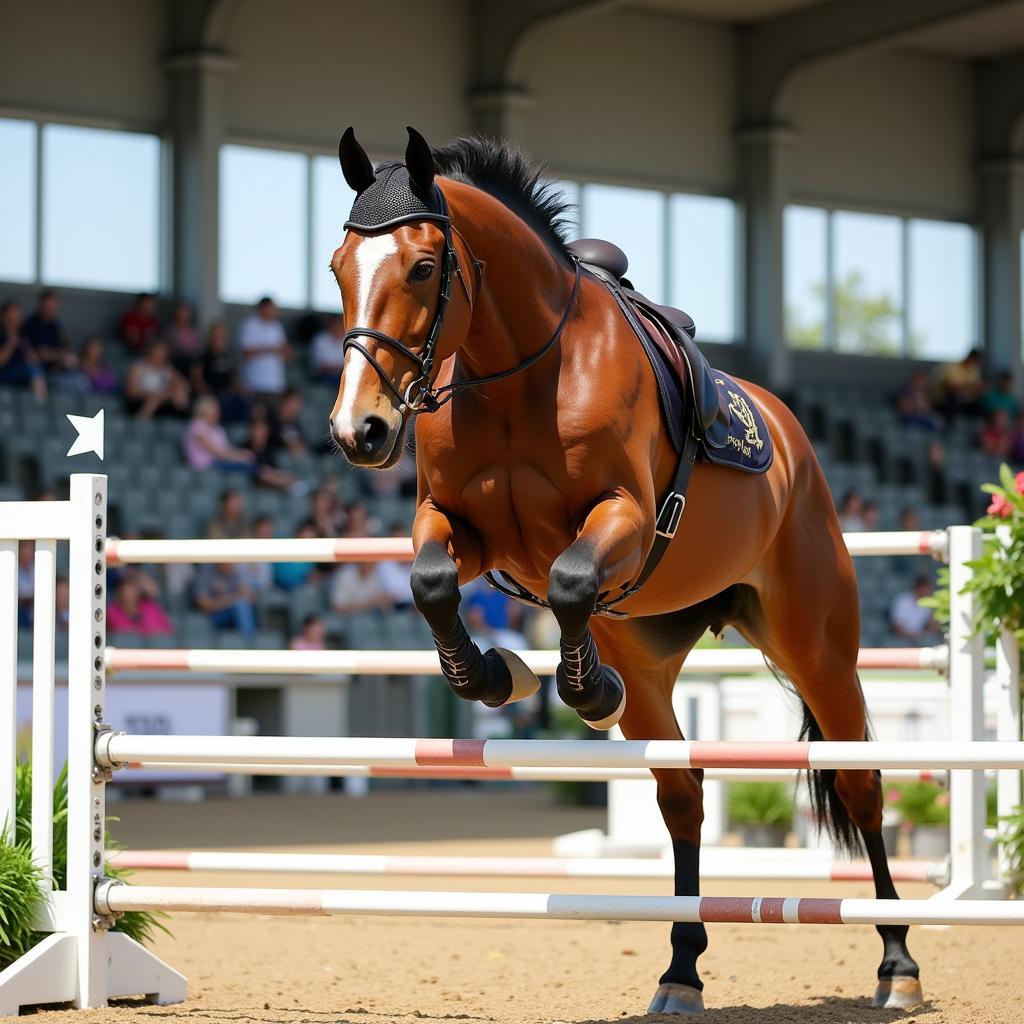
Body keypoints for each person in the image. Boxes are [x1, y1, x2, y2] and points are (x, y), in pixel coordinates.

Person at [191, 320, 250, 423]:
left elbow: (235, 378)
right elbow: (196, 378)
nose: (218, 338)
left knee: (244, 401)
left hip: (227, 395)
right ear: (210, 336)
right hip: (209, 396)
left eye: (221, 335)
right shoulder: (203, 354)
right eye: (216, 335)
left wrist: (238, 389)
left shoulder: (230, 355)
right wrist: (207, 393)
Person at [238, 297, 292, 404]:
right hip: (255, 384)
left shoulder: (277, 327)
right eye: (270, 308)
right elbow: (246, 353)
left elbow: (286, 353)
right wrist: (272, 349)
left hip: (275, 385)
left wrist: (286, 352)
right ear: (262, 308)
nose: (273, 312)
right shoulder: (250, 325)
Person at [184, 395, 257, 473]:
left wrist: (243, 453)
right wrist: (240, 457)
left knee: (252, 463)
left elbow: (226, 448)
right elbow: (216, 452)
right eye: (215, 409)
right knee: (251, 467)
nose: (218, 412)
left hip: (217, 461)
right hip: (205, 464)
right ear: (206, 410)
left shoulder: (217, 429)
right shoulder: (197, 425)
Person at [23, 289, 79, 387]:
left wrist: (60, 355)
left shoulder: (55, 325)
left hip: (55, 369)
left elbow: (68, 351)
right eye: (48, 306)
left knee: (81, 379)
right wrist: (60, 355)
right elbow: (40, 354)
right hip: (37, 370)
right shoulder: (31, 324)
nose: (51, 310)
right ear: (41, 305)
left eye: (53, 307)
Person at [124, 340, 190, 419]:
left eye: (164, 352)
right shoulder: (138, 368)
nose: (161, 355)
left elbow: (184, 385)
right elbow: (132, 392)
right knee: (153, 400)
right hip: (141, 401)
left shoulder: (167, 369)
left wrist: (169, 393)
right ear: (151, 351)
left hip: (163, 401)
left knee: (180, 394)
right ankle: (140, 423)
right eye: (159, 352)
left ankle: (183, 423)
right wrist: (153, 395)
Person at [193, 562, 257, 636]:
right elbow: (203, 604)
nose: (233, 564)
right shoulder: (206, 572)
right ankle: (249, 642)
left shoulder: (234, 573)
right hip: (213, 617)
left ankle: (249, 641)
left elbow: (251, 598)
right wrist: (232, 599)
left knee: (242, 605)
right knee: (241, 605)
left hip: (233, 615)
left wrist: (241, 593)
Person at [0, 301, 47, 400]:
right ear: (3, 318)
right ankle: (40, 406)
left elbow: (31, 358)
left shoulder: (23, 335)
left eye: (16, 318)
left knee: (36, 368)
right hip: (4, 374)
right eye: (10, 319)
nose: (13, 322)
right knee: (33, 370)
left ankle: (41, 404)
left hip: (19, 375)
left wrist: (30, 353)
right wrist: (10, 344)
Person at [106, 577, 174, 636]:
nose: (130, 594)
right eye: (126, 590)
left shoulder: (150, 607)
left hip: (151, 649)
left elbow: (166, 630)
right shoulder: (112, 610)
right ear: (119, 592)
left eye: (133, 590)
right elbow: (123, 631)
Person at [931, 349, 985, 418]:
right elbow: (950, 387)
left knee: (980, 404)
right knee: (953, 400)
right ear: (971, 358)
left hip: (966, 399)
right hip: (945, 399)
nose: (976, 364)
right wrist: (968, 387)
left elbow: (977, 387)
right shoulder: (953, 366)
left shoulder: (974, 369)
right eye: (976, 361)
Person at [330, 560, 394, 614]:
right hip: (346, 622)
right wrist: (369, 603)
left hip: (369, 620)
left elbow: (382, 604)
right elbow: (337, 609)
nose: (371, 563)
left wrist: (386, 602)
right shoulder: (345, 575)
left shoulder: (376, 575)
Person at [273, 519, 319, 591]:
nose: (309, 535)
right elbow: (278, 571)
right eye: (307, 532)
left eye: (312, 533)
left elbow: (311, 573)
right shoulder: (285, 545)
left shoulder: (312, 554)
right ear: (299, 532)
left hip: (300, 587)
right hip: (278, 585)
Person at [377, 522, 413, 609]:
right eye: (397, 541)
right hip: (393, 609)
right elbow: (389, 594)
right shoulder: (384, 565)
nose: (401, 545)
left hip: (415, 609)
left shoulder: (418, 562)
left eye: (403, 540)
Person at [890, 575, 938, 641]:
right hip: (901, 639)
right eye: (923, 589)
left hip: (920, 640)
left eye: (927, 590)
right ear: (917, 588)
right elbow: (896, 626)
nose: (926, 592)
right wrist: (912, 636)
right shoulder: (902, 600)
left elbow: (932, 627)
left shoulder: (928, 604)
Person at [309, 314, 345, 383]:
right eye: (336, 325)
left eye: (340, 325)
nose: (338, 328)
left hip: (341, 375)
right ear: (330, 325)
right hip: (323, 376)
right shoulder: (320, 339)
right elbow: (321, 366)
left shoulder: (346, 340)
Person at [167, 301, 201, 371]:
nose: (184, 315)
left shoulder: (193, 331)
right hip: (176, 363)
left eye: (186, 312)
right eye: (182, 312)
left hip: (192, 364)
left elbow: (197, 349)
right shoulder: (171, 331)